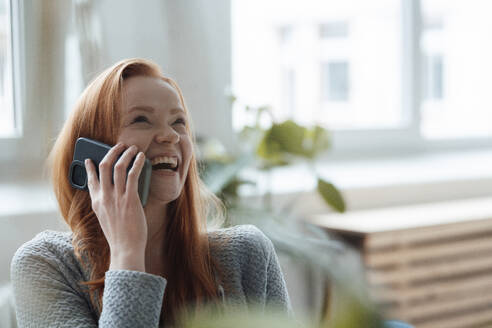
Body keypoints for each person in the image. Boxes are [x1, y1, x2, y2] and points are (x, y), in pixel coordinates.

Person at [10, 58, 292, 327]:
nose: (170, 135)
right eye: (141, 119)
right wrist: (127, 252)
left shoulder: (247, 254)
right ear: (92, 155)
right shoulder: (44, 265)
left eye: (178, 122)